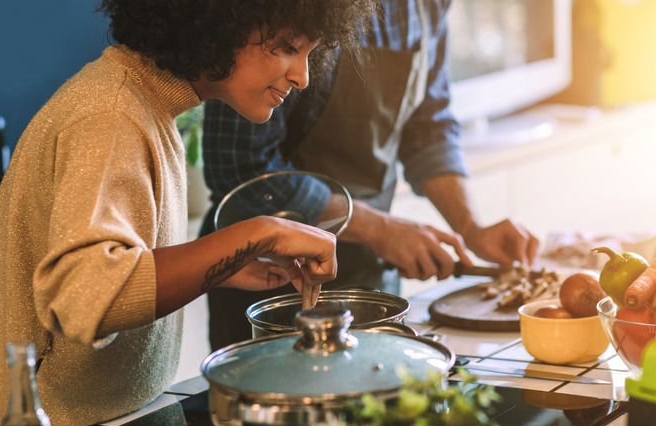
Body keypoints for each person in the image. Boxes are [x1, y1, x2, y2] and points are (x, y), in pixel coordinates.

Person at [0, 0, 378, 426]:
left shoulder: (144, 104)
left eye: (310, 53)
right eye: (285, 47)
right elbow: (86, 294)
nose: (303, 76)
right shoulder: (110, 114)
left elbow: (120, 255)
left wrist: (219, 268)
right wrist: (262, 233)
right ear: (218, 22)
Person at [200, 0, 540, 350]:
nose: (300, 75)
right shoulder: (284, 12)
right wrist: (378, 229)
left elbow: (428, 126)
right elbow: (241, 167)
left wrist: (471, 227)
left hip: (370, 278)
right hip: (272, 286)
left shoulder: (428, 6)